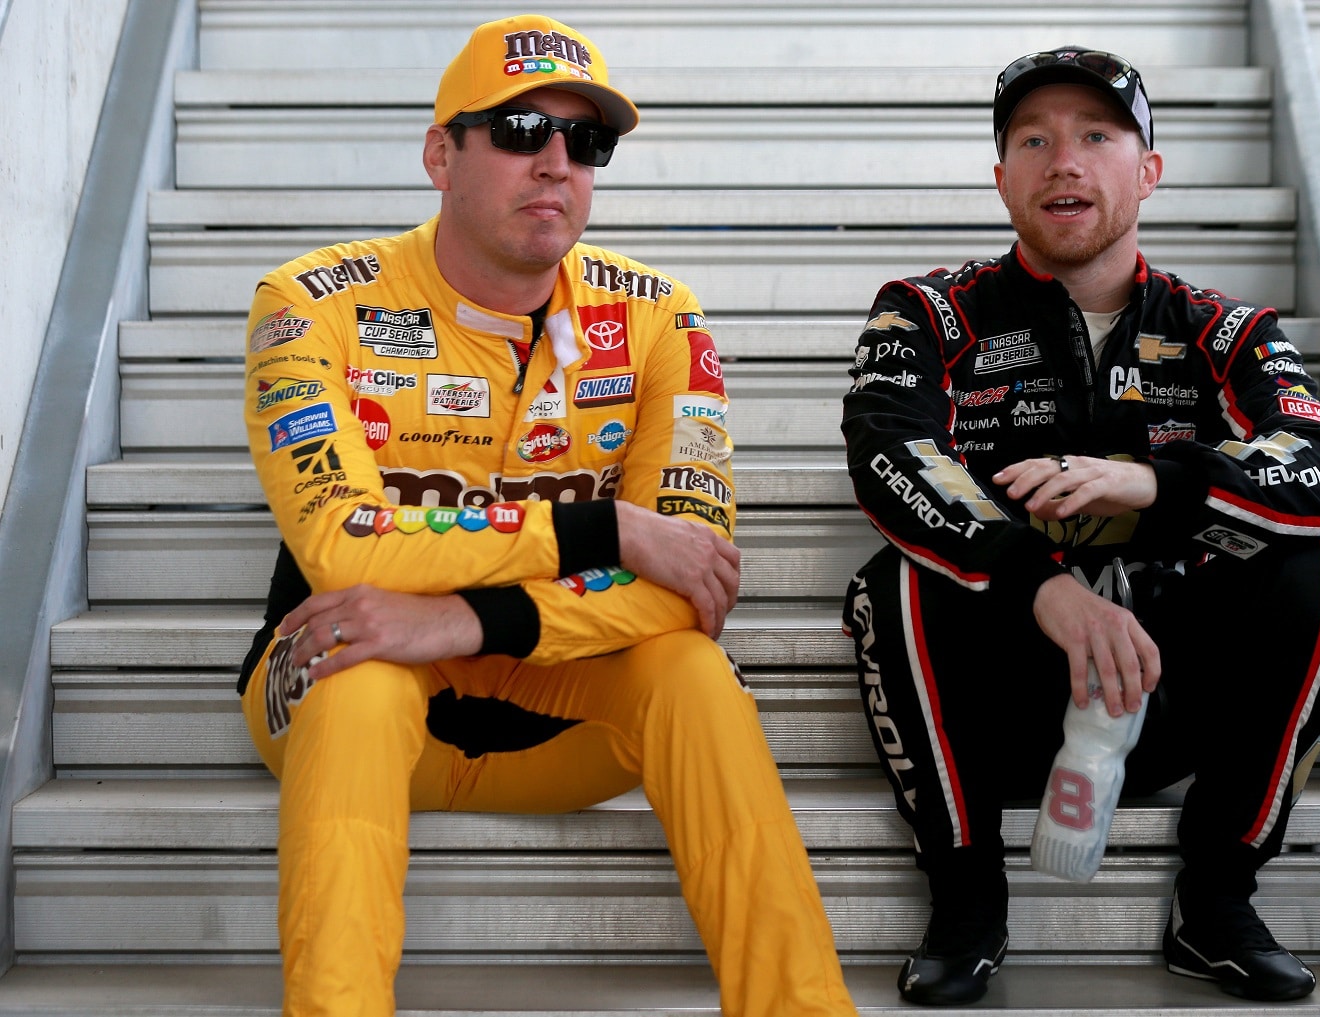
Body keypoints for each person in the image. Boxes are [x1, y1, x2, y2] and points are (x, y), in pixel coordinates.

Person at [238, 15, 859, 1017]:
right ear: (443, 153)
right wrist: (602, 532)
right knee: (355, 681)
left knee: (693, 673)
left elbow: (694, 581)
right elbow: (337, 544)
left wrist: (468, 619)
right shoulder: (312, 302)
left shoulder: (659, 316)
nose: (557, 164)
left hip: (566, 715)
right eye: (522, 129)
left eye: (588, 141)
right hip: (343, 688)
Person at [841, 46, 1320, 1006]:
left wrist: (1151, 484)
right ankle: (966, 902)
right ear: (1002, 178)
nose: (1063, 160)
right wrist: (1037, 585)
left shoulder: (1230, 331)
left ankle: (1216, 902)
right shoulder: (925, 312)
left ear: (1148, 171)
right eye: (1032, 140)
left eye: (1096, 135)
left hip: (1170, 690)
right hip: (1010, 683)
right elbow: (887, 456)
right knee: (894, 580)